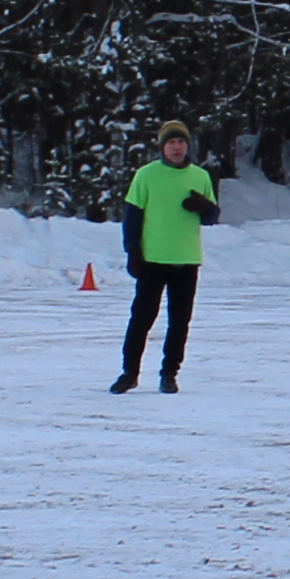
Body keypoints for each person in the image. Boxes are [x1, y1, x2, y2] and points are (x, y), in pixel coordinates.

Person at [113, 119, 216, 393]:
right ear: (162, 147)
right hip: (153, 259)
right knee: (142, 318)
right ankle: (129, 372)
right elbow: (132, 217)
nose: (177, 147)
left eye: (181, 142)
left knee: (180, 320)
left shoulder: (200, 176)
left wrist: (205, 207)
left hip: (186, 258)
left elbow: (211, 217)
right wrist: (133, 251)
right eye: (172, 142)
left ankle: (170, 373)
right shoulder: (146, 175)